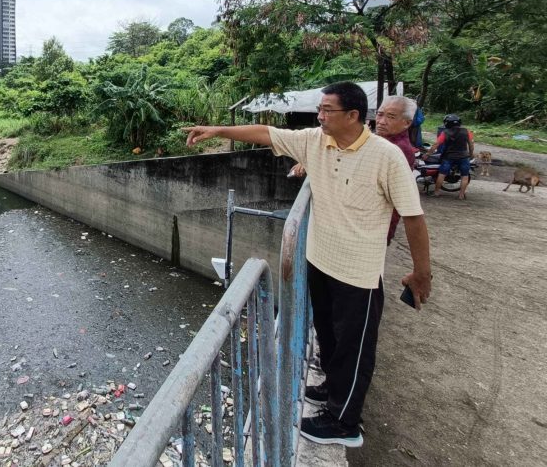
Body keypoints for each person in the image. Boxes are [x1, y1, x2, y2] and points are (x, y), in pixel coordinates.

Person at [184, 82, 432, 448]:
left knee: (354, 347)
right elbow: (267, 133)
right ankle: (332, 388)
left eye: (327, 110)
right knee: (329, 336)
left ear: (352, 115)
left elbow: (413, 217)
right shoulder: (316, 141)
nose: (320, 115)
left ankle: (344, 423)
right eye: (320, 109)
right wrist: (217, 130)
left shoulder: (387, 156)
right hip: (320, 259)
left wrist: (421, 271)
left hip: (358, 272)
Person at [290, 95, 418, 244]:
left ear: (406, 123)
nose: (382, 121)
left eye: (391, 117)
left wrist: (310, 162)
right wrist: (307, 162)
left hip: (369, 227)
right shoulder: (380, 140)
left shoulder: (396, 151)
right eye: (380, 114)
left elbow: (351, 167)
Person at [424, 113, 474, 199]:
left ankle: (436, 192)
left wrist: (428, 154)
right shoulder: (467, 131)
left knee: (442, 174)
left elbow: (436, 144)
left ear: (447, 123)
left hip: (449, 157)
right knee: (465, 175)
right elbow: (471, 144)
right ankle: (461, 195)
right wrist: (471, 154)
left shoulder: (445, 133)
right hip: (463, 157)